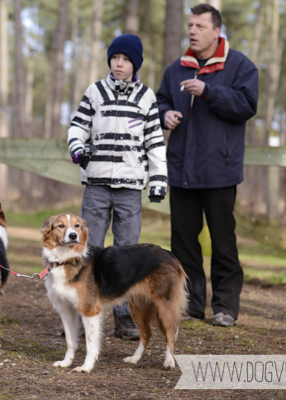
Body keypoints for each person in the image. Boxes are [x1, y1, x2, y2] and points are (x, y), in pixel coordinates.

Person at [156, 4, 258, 327]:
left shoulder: (241, 66)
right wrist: (165, 115)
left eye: (200, 26)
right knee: (183, 241)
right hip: (182, 169)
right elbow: (161, 100)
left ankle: (225, 306)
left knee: (223, 241)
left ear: (217, 31)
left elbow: (247, 104)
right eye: (190, 25)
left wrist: (209, 92)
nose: (192, 31)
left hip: (220, 170)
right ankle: (192, 304)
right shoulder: (176, 69)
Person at [67, 34, 167, 340]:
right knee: (87, 249)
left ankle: (125, 317)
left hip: (130, 186)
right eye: (114, 58)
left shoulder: (147, 98)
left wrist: (159, 179)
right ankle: (80, 312)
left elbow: (154, 142)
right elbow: (78, 126)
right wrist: (77, 148)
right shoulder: (95, 92)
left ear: (134, 63)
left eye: (125, 59)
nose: (119, 64)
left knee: (126, 251)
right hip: (97, 181)